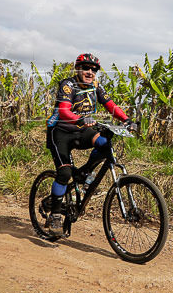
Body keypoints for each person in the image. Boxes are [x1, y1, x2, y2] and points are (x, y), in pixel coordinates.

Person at [45, 53, 137, 234]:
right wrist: (80, 118)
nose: (90, 72)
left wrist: (126, 120)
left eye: (93, 69)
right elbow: (63, 111)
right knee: (63, 172)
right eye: (86, 68)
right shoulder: (68, 84)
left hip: (80, 129)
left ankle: (84, 172)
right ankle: (55, 215)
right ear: (78, 69)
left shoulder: (95, 86)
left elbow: (110, 105)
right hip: (61, 132)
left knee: (104, 144)